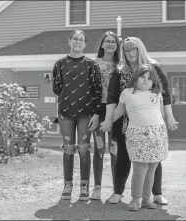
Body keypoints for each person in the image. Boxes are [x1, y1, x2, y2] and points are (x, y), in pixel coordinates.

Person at [100, 37, 178, 205]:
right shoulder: (118, 71)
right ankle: (118, 192)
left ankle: (156, 194)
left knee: (152, 158)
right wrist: (108, 120)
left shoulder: (154, 67)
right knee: (122, 156)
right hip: (124, 121)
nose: (130, 53)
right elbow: (112, 99)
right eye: (127, 50)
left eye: (133, 49)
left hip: (150, 122)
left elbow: (164, 94)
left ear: (140, 49)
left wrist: (169, 117)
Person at [52, 30, 102, 201]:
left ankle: (84, 186)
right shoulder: (60, 64)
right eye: (75, 39)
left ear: (85, 44)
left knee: (83, 149)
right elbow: (57, 88)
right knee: (68, 149)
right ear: (70, 41)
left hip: (85, 114)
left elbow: (97, 90)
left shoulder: (90, 64)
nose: (78, 42)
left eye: (81, 40)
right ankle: (67, 185)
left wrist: (96, 114)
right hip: (66, 114)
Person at [112, 64, 169, 211]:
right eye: (142, 77)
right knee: (140, 169)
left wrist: (166, 125)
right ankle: (135, 199)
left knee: (152, 168)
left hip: (157, 134)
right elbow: (118, 111)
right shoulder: (128, 93)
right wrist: (106, 122)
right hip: (137, 135)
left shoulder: (156, 93)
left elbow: (160, 113)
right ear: (135, 77)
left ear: (153, 82)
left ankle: (146, 199)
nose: (145, 81)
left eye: (149, 79)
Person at [91, 31, 120, 200]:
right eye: (107, 41)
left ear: (117, 46)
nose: (110, 44)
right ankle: (97, 187)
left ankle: (117, 188)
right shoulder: (94, 64)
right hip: (99, 111)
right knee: (99, 148)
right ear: (102, 44)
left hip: (116, 112)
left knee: (115, 149)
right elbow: (90, 90)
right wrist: (94, 113)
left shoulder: (121, 64)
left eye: (113, 42)